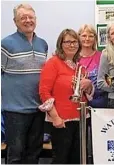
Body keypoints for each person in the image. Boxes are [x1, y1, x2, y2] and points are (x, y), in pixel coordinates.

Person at [1, 4, 48, 164]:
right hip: (15, 111)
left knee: (34, 155)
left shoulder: (43, 44)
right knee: (15, 156)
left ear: (35, 19)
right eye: (23, 18)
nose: (28, 20)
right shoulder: (5, 44)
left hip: (38, 109)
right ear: (15, 21)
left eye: (31, 17)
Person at [39, 29, 93, 164]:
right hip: (61, 120)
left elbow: (86, 95)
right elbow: (44, 92)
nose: (72, 45)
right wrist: (55, 117)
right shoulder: (53, 63)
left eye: (74, 41)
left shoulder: (79, 67)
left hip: (81, 118)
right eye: (67, 42)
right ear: (60, 44)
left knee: (78, 157)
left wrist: (89, 85)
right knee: (61, 158)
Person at [78, 24, 107, 108]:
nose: (87, 39)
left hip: (99, 103)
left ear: (95, 39)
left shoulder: (103, 56)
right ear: (78, 37)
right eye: (84, 36)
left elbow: (109, 80)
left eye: (91, 36)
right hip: (77, 103)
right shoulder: (73, 57)